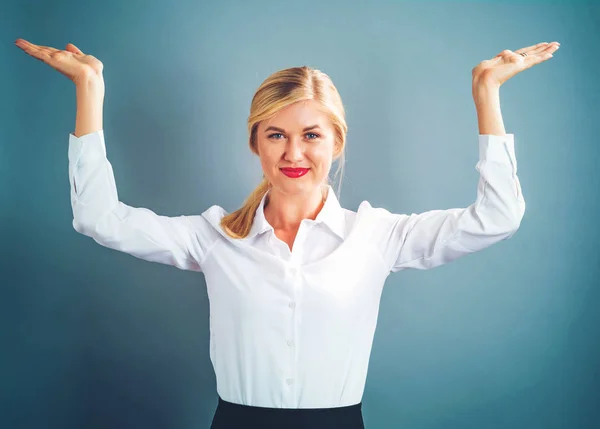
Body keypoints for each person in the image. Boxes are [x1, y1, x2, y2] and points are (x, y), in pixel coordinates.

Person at [15, 38, 559, 429]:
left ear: (337, 142)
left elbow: (498, 219)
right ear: (255, 143)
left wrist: (486, 93)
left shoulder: (377, 236)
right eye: (275, 134)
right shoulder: (213, 239)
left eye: (311, 135)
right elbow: (98, 218)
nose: (293, 153)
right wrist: (90, 88)